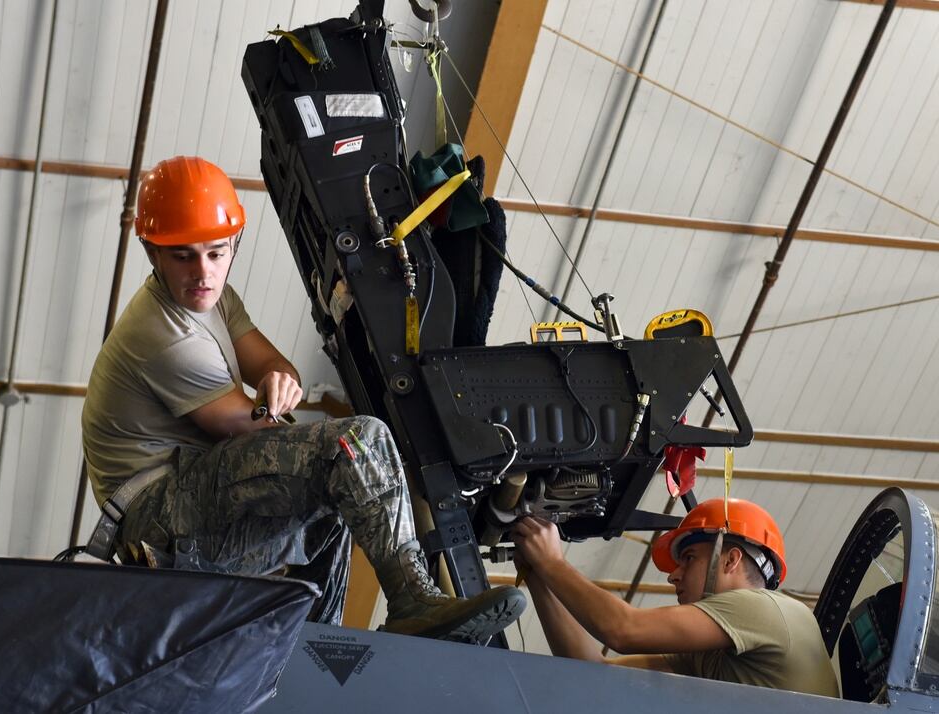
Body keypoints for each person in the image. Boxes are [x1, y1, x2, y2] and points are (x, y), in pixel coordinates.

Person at [81, 155, 525, 641]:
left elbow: (276, 368)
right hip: (158, 515)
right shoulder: (161, 331)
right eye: (182, 255)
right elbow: (243, 425)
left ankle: (318, 647)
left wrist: (279, 381)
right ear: (152, 254)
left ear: (233, 245)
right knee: (357, 443)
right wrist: (330, 440)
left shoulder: (217, 300)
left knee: (336, 505)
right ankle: (413, 600)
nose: (203, 272)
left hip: (199, 504)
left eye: (216, 252)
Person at [512, 498, 839, 697]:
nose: (673, 575)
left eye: (689, 558)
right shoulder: (710, 654)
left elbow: (623, 630)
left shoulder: (767, 608)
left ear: (731, 560)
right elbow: (590, 671)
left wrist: (554, 562)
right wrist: (541, 575)